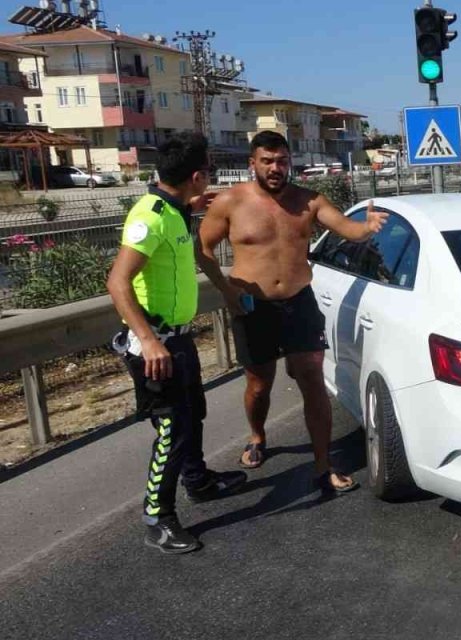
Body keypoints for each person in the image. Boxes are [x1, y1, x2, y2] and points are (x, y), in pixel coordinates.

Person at [196, 131, 386, 494]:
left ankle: (322, 465)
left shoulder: (309, 201)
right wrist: (226, 290)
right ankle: (257, 434)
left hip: (299, 302)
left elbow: (347, 228)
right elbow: (202, 248)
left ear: (290, 162)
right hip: (253, 306)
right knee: (258, 384)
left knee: (312, 380)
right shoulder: (230, 202)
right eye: (267, 161)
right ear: (252, 163)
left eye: (281, 160)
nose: (275, 168)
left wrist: (366, 228)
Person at [106, 132, 247, 555]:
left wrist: (191, 206)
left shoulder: (173, 209)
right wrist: (148, 341)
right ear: (198, 175)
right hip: (156, 346)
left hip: (177, 340)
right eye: (208, 172)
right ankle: (158, 517)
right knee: (172, 429)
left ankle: (198, 481)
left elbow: (176, 223)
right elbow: (117, 282)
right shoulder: (149, 216)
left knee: (193, 416)